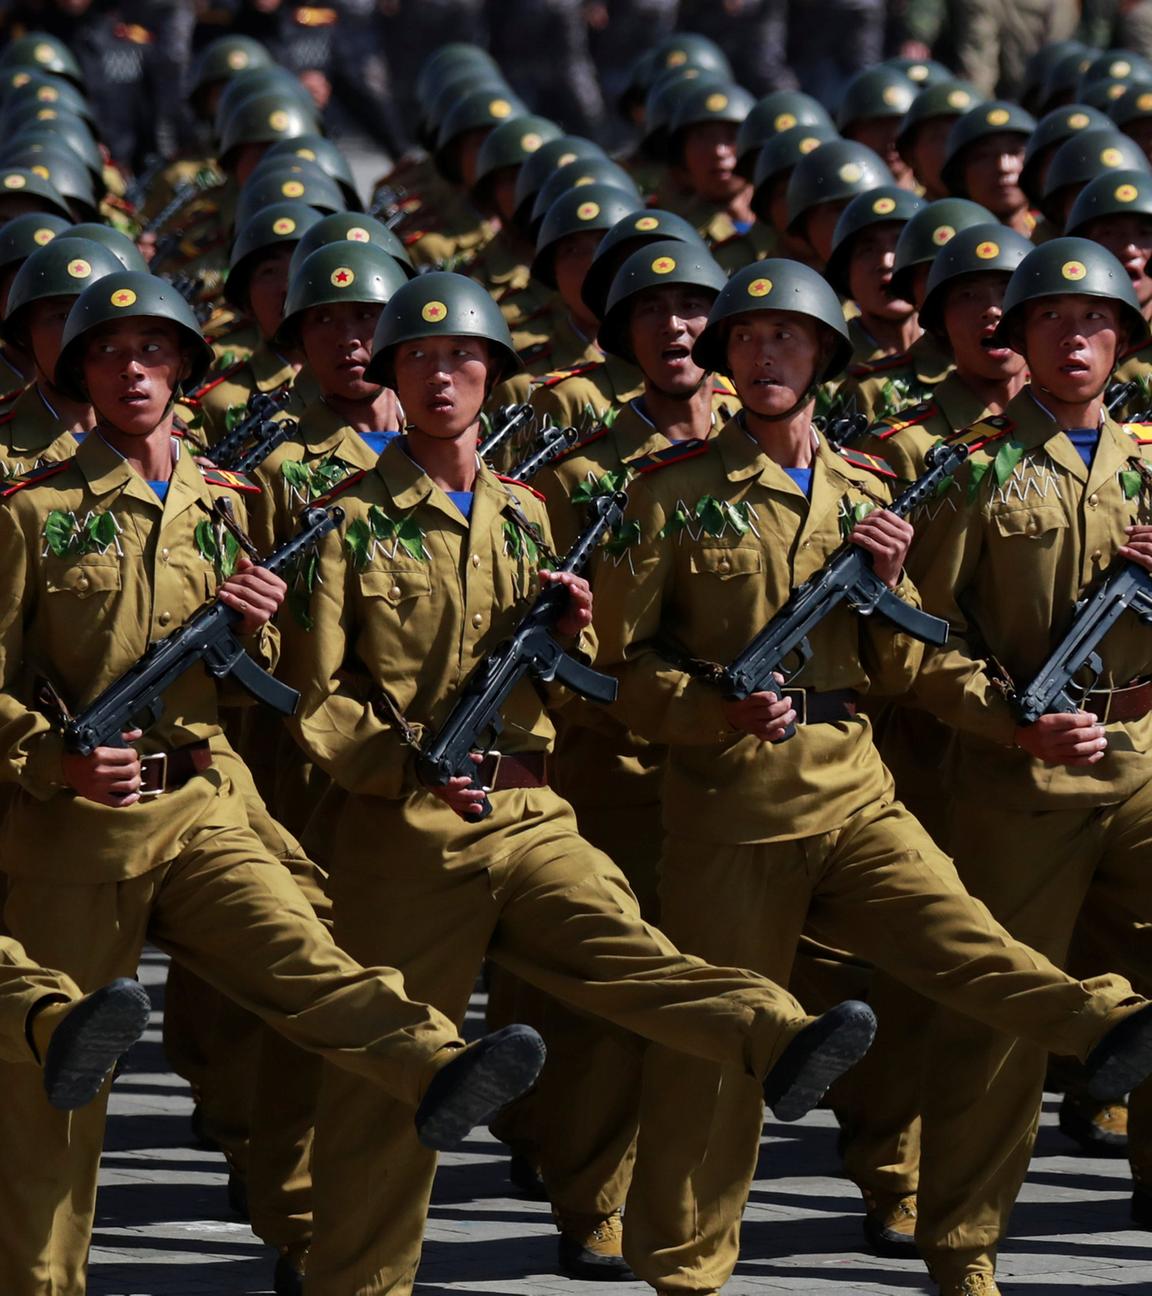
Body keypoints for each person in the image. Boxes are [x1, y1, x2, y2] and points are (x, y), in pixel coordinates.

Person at [277, 268, 887, 1296]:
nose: (441, 377)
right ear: (389, 377)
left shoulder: (525, 515)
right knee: (388, 1090)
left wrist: (570, 634)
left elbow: (590, 682)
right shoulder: (346, 524)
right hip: (407, 829)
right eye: (419, 359)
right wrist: (401, 769)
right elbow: (318, 702)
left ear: (492, 378)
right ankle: (356, 1282)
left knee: (632, 955)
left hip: (532, 806)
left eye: (463, 358)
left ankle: (777, 1036)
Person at [589, 257, 1152, 1296]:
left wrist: (890, 582)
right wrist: (713, 710)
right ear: (722, 359)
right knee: (717, 1050)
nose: (766, 355)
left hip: (854, 784)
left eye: (788, 338)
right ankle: (684, 1269)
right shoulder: (669, 498)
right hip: (732, 804)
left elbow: (901, 663)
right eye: (748, 338)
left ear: (821, 358)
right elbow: (622, 677)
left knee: (965, 945)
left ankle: (1111, 1024)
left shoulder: (867, 494)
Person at [0, 269, 548, 1294]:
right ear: (76, 369)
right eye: (109, 352)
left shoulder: (229, 504)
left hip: (203, 801)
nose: (132, 369)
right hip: (74, 821)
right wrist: (51, 755)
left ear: (185, 372)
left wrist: (252, 628)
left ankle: (433, 1064)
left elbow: (287, 682)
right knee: (56, 1092)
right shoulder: (32, 513)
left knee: (306, 960)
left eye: (153, 350)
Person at [909, 236, 1152, 1294]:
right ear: (1017, 339)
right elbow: (915, 641)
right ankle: (963, 1245)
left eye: (1092, 320)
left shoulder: (1151, 459)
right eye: (1049, 318)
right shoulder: (974, 468)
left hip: (1144, 754)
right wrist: (1013, 724)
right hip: (1021, 773)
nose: (1073, 337)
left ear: (1124, 340)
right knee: (1003, 1016)